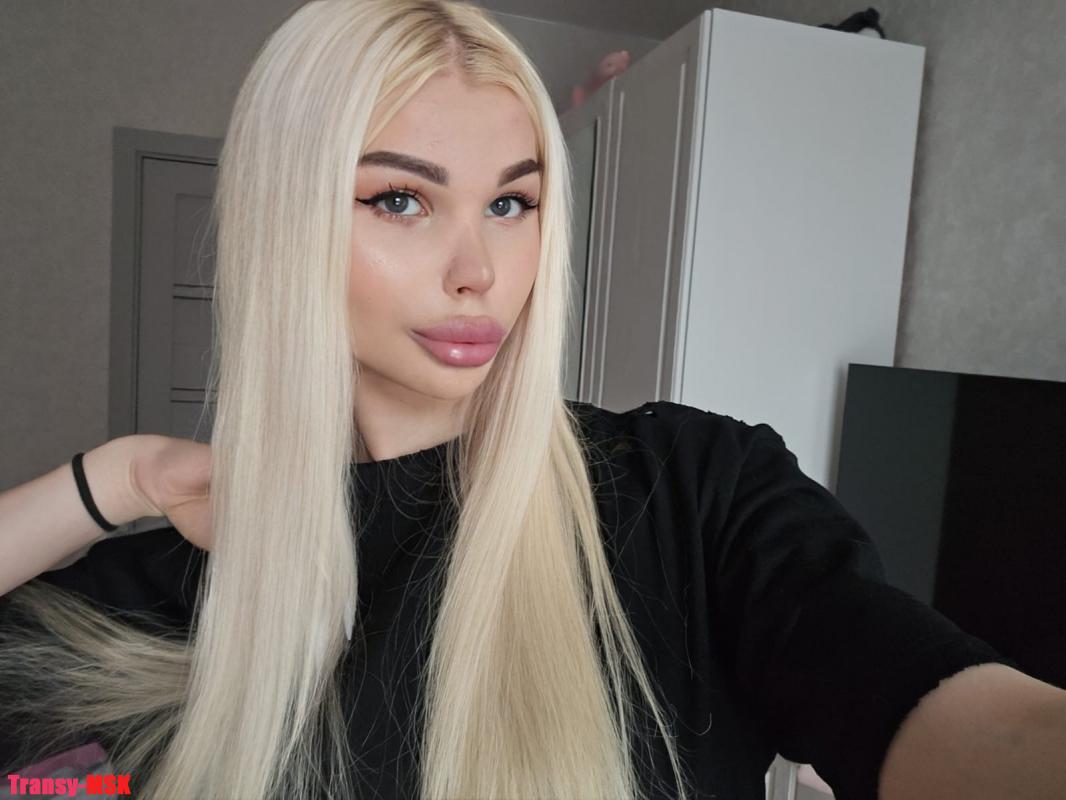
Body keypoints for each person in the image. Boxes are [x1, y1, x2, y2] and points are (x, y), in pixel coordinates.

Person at [1, 1, 1064, 799]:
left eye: (512, 202)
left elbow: (939, 704)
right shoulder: (187, 579)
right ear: (285, 226)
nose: (480, 270)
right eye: (401, 198)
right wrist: (117, 477)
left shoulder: (691, 495)